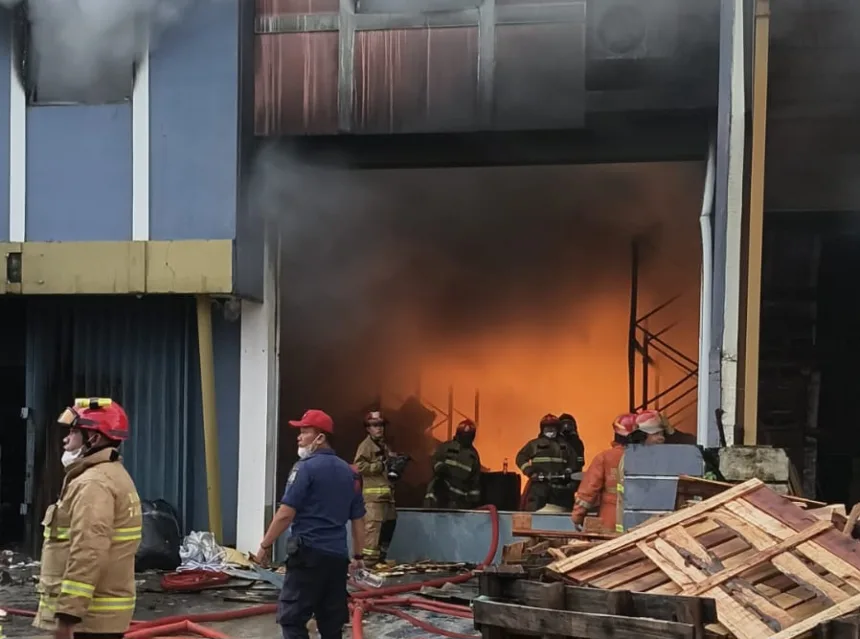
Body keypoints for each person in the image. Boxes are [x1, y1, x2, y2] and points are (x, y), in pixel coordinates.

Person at [33, 398, 142, 639]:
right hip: (98, 618)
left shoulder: (93, 484)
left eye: (73, 432)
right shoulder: (110, 475)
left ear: (94, 438)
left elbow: (88, 551)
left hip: (89, 621)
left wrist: (68, 615)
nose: (66, 439)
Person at [253, 409, 366, 639]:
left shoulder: (305, 468)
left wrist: (265, 546)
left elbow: (285, 513)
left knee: (292, 619)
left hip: (308, 557)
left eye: (304, 432)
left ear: (320, 437)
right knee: (331, 624)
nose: (299, 437)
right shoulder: (351, 474)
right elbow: (358, 520)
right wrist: (359, 556)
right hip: (336, 560)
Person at [570, 413, 637, 533]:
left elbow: (588, 491)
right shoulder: (648, 458)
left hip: (609, 518)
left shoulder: (605, 457)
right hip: (640, 518)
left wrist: (577, 517)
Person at [353, 410, 397, 564]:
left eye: (382, 425)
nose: (379, 428)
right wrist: (380, 465)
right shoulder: (366, 446)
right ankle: (369, 563)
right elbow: (359, 466)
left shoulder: (383, 445)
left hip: (387, 497)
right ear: (368, 428)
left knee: (389, 526)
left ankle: (380, 559)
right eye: (375, 425)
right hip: (373, 498)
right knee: (373, 529)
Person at [516, 414, 576, 512]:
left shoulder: (565, 446)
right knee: (533, 515)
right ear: (542, 429)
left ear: (558, 428)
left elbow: (573, 462)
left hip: (560, 488)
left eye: (552, 427)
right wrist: (531, 472)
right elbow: (520, 458)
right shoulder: (534, 444)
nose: (550, 430)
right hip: (539, 487)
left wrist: (568, 471)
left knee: (562, 514)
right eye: (547, 427)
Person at [423, 419, 482, 509]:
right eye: (464, 435)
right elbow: (434, 460)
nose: (466, 438)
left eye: (468, 436)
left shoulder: (473, 456)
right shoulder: (446, 447)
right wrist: (440, 468)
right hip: (437, 498)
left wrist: (472, 505)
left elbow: (475, 482)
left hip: (457, 504)